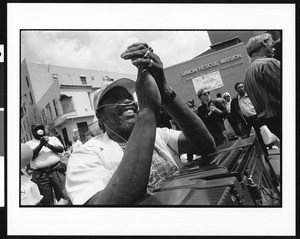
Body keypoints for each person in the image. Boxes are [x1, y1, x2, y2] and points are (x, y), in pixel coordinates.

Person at [66, 42, 216, 205]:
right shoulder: (85, 155)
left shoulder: (158, 134)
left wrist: (165, 92)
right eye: (115, 100)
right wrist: (147, 112)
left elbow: (206, 146)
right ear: (99, 116)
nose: (127, 102)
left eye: (129, 97)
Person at [244, 33, 281, 140]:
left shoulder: (247, 74)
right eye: (270, 43)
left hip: (270, 122)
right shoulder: (269, 63)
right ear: (263, 45)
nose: (273, 47)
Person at [25, 124, 71, 205]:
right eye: (37, 129)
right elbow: (31, 156)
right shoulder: (29, 144)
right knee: (46, 200)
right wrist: (41, 145)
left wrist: (49, 146)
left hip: (56, 171)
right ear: (33, 132)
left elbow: (61, 149)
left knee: (64, 196)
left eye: (41, 128)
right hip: (41, 175)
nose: (40, 131)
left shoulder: (52, 139)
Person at [230, 82, 269, 157]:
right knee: (246, 139)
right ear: (236, 90)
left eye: (242, 86)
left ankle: (265, 154)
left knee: (260, 136)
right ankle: (251, 156)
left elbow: (261, 104)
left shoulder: (251, 96)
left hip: (256, 118)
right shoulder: (235, 101)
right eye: (239, 87)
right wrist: (237, 121)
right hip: (245, 121)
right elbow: (233, 114)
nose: (241, 88)